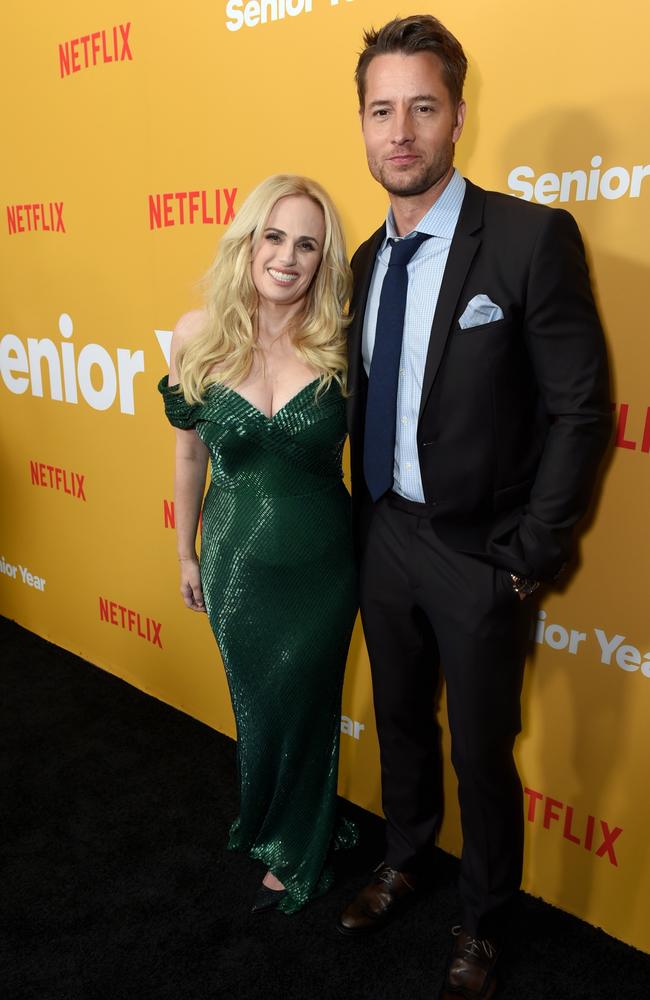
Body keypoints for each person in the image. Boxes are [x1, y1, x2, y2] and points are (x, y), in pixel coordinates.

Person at [337, 15, 611, 999]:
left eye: (421, 106)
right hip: (384, 533)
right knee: (401, 721)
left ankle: (482, 922)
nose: (399, 129)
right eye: (380, 110)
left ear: (458, 116)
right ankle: (405, 856)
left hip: (478, 551)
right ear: (361, 125)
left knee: (479, 751)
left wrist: (528, 550)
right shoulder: (363, 262)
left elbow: (580, 407)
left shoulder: (530, 238)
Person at [158, 174, 357, 915]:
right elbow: (187, 457)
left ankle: (300, 842)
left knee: (309, 703)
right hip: (234, 558)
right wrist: (184, 552)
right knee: (260, 707)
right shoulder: (195, 336)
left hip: (325, 566)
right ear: (247, 242)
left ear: (323, 258)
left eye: (308, 243)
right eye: (274, 236)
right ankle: (273, 821)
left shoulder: (341, 341)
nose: (288, 256)